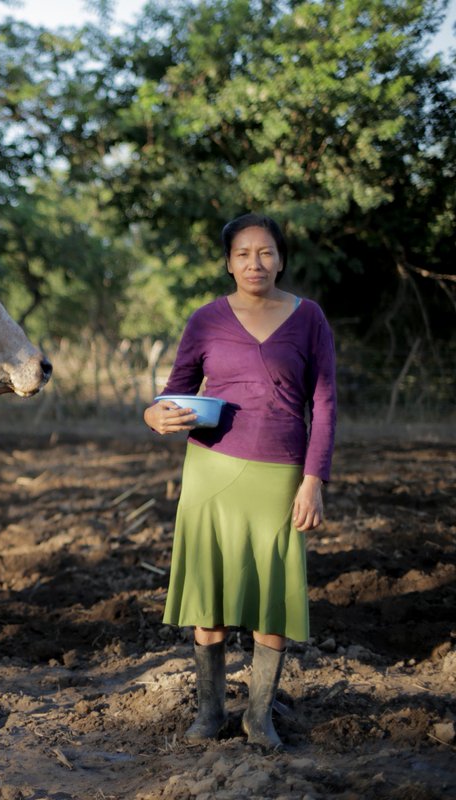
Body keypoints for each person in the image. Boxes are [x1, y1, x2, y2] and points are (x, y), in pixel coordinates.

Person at [143, 213, 337, 750]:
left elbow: (323, 405)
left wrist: (314, 479)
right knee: (209, 595)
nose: (256, 263)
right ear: (228, 263)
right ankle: (210, 715)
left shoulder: (309, 318)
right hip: (211, 471)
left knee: (269, 600)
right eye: (244, 254)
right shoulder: (205, 319)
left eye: (266, 252)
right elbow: (174, 392)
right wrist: (153, 414)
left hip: (281, 473)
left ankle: (258, 718)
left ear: (281, 258)